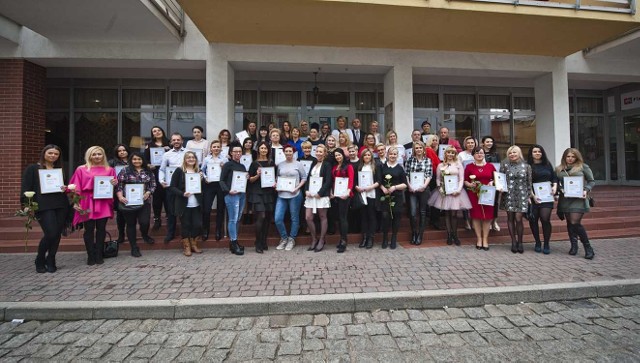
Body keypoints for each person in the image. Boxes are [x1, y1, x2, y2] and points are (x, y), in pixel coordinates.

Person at [21, 145, 69, 273]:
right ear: (44, 153)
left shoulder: (59, 169)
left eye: (56, 154)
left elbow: (66, 186)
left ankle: (51, 259)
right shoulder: (32, 168)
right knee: (51, 233)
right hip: (43, 205)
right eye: (50, 153)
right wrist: (27, 204)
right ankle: (40, 258)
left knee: (57, 234)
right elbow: (26, 187)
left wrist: (66, 188)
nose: (53, 156)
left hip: (60, 204)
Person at [69, 146, 117, 265]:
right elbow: (75, 186)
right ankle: (90, 255)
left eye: (99, 154)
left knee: (101, 229)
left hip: (103, 201)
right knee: (89, 229)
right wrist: (76, 201)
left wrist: (114, 183)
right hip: (87, 201)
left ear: (103, 155)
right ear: (89, 155)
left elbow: (112, 185)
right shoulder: (81, 169)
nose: (97, 156)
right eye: (94, 154)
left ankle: (99, 253)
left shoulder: (109, 169)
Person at [556, 148, 596, 259]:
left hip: (578, 199)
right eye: (568, 156)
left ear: (577, 157)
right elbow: (556, 183)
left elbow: (591, 181)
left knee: (574, 222)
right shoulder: (559, 169)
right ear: (564, 157)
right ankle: (574, 246)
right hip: (565, 199)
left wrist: (586, 189)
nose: (570, 159)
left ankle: (588, 248)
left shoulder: (583, 167)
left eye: (573, 156)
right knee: (569, 222)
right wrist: (560, 189)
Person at [428, 146, 472, 246]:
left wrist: (458, 190)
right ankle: (449, 235)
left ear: (455, 154)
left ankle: (455, 235)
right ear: (446, 154)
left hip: (456, 191)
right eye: (449, 153)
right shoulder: (440, 165)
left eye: (453, 153)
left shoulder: (458, 164)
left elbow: (461, 179)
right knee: (447, 214)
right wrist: (440, 188)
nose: (451, 155)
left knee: (454, 214)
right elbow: (438, 179)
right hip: (445, 191)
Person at [115, 152, 156, 257]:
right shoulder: (125, 170)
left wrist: (148, 192)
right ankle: (134, 247)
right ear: (131, 160)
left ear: (143, 160)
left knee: (144, 222)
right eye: (134, 159)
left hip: (144, 201)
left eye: (139, 159)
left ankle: (145, 234)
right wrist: (120, 197)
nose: (137, 161)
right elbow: (119, 185)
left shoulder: (148, 171)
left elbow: (153, 184)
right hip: (128, 202)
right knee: (131, 224)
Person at [170, 151, 204, 256]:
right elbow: (172, 187)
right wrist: (182, 193)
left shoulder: (198, 171)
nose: (191, 159)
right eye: (188, 157)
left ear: (196, 160)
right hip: (183, 203)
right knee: (186, 225)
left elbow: (201, 188)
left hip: (196, 204)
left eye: (193, 157)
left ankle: (193, 243)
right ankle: (186, 247)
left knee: (198, 224)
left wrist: (201, 179)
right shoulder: (179, 171)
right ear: (185, 159)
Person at [274, 145, 307, 251]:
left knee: (294, 218)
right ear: (283, 152)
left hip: (295, 194)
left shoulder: (298, 164)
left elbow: (304, 178)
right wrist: (276, 185)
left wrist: (297, 188)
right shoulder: (280, 165)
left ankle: (292, 239)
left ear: (293, 152)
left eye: (290, 151)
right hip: (282, 194)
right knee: (278, 218)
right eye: (286, 151)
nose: (288, 153)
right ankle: (284, 238)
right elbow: (277, 178)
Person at [500, 145, 532, 254]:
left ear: (519, 153)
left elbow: (529, 183)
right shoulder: (504, 165)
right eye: (510, 153)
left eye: (514, 152)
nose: (512, 155)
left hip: (522, 195)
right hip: (508, 194)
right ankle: (513, 242)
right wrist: (499, 187)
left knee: (519, 218)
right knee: (510, 218)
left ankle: (520, 242)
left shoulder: (526, 166)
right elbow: (500, 179)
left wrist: (529, 196)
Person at [464, 147, 496, 251]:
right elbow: (465, 180)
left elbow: (496, 179)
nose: (479, 155)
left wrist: (492, 182)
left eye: (481, 153)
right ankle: (479, 239)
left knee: (487, 217)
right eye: (477, 153)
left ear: (484, 154)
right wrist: (470, 184)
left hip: (488, 194)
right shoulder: (469, 167)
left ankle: (485, 239)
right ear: (473, 155)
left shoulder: (490, 166)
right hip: (474, 194)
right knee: (476, 216)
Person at [527, 145, 558, 255]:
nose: (537, 153)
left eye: (539, 151)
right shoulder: (528, 166)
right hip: (533, 196)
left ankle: (546, 243)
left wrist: (554, 186)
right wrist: (532, 196)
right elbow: (527, 182)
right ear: (531, 153)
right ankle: (537, 242)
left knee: (545, 219)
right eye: (534, 151)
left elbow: (554, 177)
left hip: (547, 196)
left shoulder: (547, 164)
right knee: (533, 220)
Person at [220, 143, 249, 255]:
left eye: (239, 151)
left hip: (241, 194)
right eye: (235, 151)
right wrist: (228, 191)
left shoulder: (242, 167)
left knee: (237, 219)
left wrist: (246, 177)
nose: (238, 153)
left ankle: (234, 242)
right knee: (232, 219)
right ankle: (233, 242)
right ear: (231, 153)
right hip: (231, 195)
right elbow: (221, 180)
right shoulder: (227, 165)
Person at [247, 141, 276, 253]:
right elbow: (250, 180)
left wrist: (275, 183)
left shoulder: (271, 163)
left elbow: (274, 178)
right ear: (258, 149)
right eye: (261, 148)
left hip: (268, 192)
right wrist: (257, 175)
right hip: (257, 192)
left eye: (265, 148)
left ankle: (264, 241)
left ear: (268, 150)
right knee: (261, 216)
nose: (263, 150)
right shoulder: (254, 164)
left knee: (268, 218)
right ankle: (258, 242)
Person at [304, 144, 333, 252]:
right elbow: (308, 179)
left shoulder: (327, 165)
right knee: (308, 217)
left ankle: (321, 240)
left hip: (321, 195)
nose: (318, 153)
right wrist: (306, 190)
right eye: (317, 151)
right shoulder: (313, 163)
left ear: (324, 153)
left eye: (321, 152)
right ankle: (314, 239)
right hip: (311, 195)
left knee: (322, 216)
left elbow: (328, 181)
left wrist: (320, 193)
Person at [158, 133, 186, 243]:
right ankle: (171, 233)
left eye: (178, 139)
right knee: (170, 210)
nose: (176, 141)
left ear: (182, 141)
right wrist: (161, 181)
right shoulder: (167, 155)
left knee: (184, 210)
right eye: (174, 140)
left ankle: (185, 233)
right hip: (170, 186)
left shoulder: (188, 153)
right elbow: (161, 169)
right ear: (171, 142)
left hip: (184, 186)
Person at [404, 141, 432, 245]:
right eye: (417, 148)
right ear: (414, 149)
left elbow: (429, 175)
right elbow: (406, 174)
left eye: (420, 147)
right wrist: (409, 186)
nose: (419, 149)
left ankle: (420, 235)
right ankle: (414, 233)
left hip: (423, 189)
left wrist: (424, 186)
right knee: (412, 213)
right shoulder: (410, 160)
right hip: (412, 190)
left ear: (423, 149)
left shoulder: (428, 160)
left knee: (422, 212)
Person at [379, 147, 407, 249]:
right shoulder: (382, 167)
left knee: (396, 217)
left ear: (397, 155)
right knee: (385, 217)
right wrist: (383, 188)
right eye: (391, 154)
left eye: (395, 154)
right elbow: (379, 181)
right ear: (387, 154)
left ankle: (394, 238)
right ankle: (385, 238)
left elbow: (405, 184)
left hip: (397, 196)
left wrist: (394, 187)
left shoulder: (400, 168)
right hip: (385, 195)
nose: (392, 156)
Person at [144, 126, 170, 231]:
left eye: (159, 130)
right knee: (157, 198)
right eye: (154, 131)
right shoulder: (149, 146)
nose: (157, 132)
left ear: (162, 131)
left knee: (168, 197)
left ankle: (169, 218)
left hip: (168, 173)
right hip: (155, 173)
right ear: (152, 134)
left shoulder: (169, 143)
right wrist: (149, 165)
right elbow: (144, 160)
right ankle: (157, 219)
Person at [354, 149, 380, 249]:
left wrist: (370, 187)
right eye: (365, 155)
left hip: (372, 194)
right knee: (363, 217)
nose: (367, 157)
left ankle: (370, 238)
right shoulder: (359, 167)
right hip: (362, 194)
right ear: (362, 157)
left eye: (369, 155)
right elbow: (355, 181)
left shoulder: (375, 166)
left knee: (371, 216)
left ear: (371, 156)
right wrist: (357, 187)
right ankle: (364, 238)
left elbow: (379, 181)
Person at [201, 140, 227, 241]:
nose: (216, 148)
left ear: (221, 148)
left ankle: (218, 230)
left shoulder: (224, 159)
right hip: (209, 185)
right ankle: (205, 230)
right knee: (207, 208)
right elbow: (202, 170)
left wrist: (223, 167)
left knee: (220, 208)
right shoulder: (207, 159)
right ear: (211, 148)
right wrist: (205, 177)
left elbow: (228, 172)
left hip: (220, 185)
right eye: (214, 147)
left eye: (218, 147)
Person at [330, 148, 354, 253]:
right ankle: (341, 239)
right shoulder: (335, 166)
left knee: (343, 218)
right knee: (339, 218)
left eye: (339, 155)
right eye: (336, 155)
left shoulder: (348, 166)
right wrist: (331, 192)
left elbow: (351, 180)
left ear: (343, 155)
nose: (337, 157)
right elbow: (333, 181)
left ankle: (344, 241)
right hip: (336, 195)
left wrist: (347, 192)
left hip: (345, 195)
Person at [108, 144, 129, 244]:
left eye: (124, 150)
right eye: (119, 151)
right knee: (120, 214)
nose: (122, 152)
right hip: (118, 190)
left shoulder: (133, 160)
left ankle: (130, 234)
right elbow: (107, 176)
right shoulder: (112, 163)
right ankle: (121, 234)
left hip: (131, 190)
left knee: (131, 213)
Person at [482, 135, 501, 232]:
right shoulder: (480, 153)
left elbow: (499, 168)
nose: (489, 143)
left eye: (491, 142)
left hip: (494, 181)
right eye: (487, 142)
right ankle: (487, 222)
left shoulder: (496, 154)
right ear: (483, 143)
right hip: (484, 180)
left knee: (495, 202)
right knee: (486, 202)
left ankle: (495, 221)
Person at [458, 136, 477, 231]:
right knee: (466, 201)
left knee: (474, 201)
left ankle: (474, 220)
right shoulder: (461, 154)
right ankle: (466, 220)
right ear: (465, 144)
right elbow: (458, 167)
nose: (470, 144)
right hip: (465, 180)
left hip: (477, 181)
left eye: (472, 143)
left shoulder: (478, 153)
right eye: (468, 143)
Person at [425, 135, 442, 230]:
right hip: (433, 177)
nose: (435, 142)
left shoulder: (433, 150)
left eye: (436, 140)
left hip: (435, 176)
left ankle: (433, 220)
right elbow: (433, 165)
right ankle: (434, 221)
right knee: (435, 199)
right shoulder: (429, 150)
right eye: (433, 140)